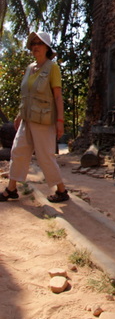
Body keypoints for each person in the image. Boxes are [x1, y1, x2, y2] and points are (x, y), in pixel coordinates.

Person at [0, 31, 69, 203]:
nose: (36, 46)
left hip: (44, 121)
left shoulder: (52, 68)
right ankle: (12, 189)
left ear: (47, 48)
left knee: (45, 156)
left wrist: (60, 121)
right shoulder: (30, 68)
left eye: (39, 43)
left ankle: (61, 191)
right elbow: (27, 95)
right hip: (27, 119)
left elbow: (58, 97)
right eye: (33, 43)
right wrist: (19, 115)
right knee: (18, 151)